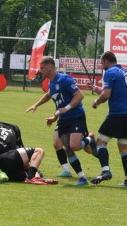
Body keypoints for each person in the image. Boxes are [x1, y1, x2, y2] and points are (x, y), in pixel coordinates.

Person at [26, 56, 91, 185]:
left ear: (50, 67)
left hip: (76, 116)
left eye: (42, 68)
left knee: (74, 146)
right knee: (63, 146)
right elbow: (50, 95)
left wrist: (66, 109)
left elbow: (80, 95)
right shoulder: (51, 83)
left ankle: (90, 140)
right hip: (63, 119)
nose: (40, 71)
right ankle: (81, 177)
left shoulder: (64, 79)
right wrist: (42, 108)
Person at [89, 51, 127, 187]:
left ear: (107, 62)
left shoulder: (109, 72)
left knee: (100, 141)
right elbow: (115, 92)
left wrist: (96, 102)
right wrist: (97, 89)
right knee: (123, 145)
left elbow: (107, 95)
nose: (102, 66)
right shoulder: (125, 71)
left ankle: (105, 171)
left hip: (118, 113)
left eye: (102, 63)